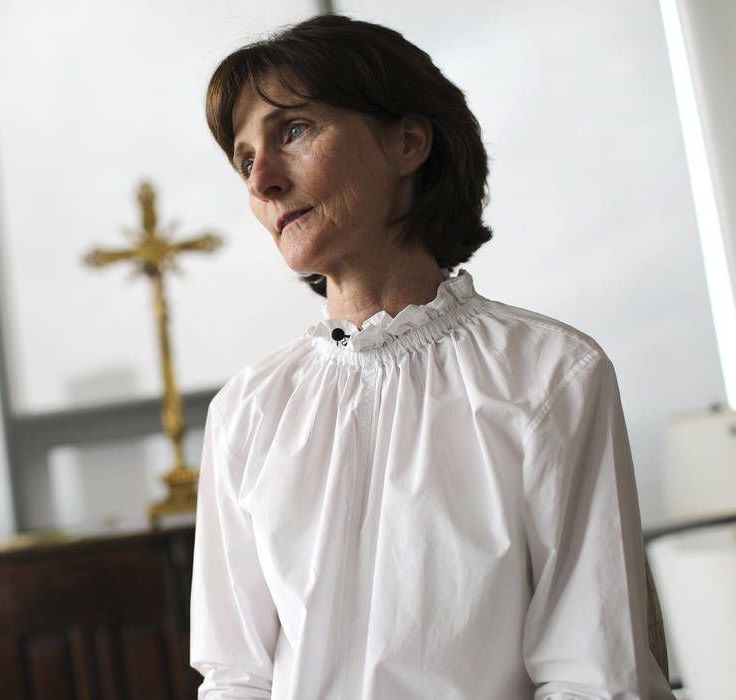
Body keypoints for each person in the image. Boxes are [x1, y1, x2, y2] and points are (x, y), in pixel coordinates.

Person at [190, 14, 673, 699]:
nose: (262, 180)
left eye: (292, 131)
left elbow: (596, 677)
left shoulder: (550, 377)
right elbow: (235, 677)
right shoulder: (247, 412)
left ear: (408, 142)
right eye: (244, 159)